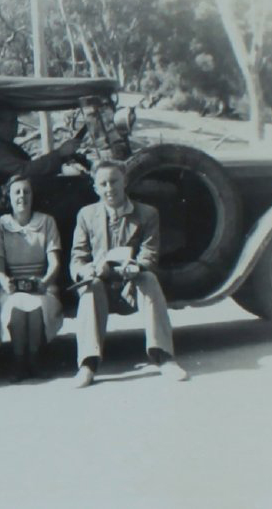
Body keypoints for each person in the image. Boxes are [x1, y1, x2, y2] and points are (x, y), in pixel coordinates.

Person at [69, 160, 188, 388]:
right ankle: (87, 365)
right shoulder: (86, 215)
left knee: (149, 279)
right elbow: (78, 258)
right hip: (101, 285)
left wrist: (137, 267)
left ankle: (164, 357)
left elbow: (149, 253)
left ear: (124, 181)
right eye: (103, 184)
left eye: (114, 181)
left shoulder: (147, 213)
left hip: (131, 284)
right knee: (90, 286)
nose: (109, 188)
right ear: (95, 188)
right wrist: (87, 270)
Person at [0, 175, 64, 382]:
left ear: (32, 195)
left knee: (37, 305)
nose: (22, 196)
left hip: (42, 284)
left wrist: (44, 282)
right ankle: (19, 361)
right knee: (16, 305)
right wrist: (6, 283)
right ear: (9, 197)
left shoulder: (47, 222)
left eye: (26, 191)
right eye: (17, 192)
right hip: (12, 286)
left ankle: (35, 359)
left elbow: (55, 263)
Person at [0, 110, 81, 182]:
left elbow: (30, 167)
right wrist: (59, 153)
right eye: (7, 122)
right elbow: (23, 171)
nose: (13, 126)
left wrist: (63, 157)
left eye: (14, 121)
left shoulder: (7, 146)